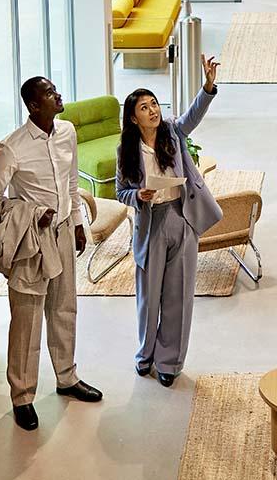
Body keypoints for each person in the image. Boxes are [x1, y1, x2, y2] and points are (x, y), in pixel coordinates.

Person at [0, 77, 103, 431]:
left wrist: (78, 222)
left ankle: (67, 378)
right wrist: (32, 212)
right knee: (27, 320)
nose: (58, 95)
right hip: (32, 240)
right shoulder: (12, 148)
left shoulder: (67, 132)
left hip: (64, 232)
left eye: (55, 90)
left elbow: (69, 184)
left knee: (65, 307)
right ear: (34, 106)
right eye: (49, 94)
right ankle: (22, 397)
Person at [117, 55, 222, 387]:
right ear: (133, 119)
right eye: (144, 108)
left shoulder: (172, 133)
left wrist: (207, 85)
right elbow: (121, 191)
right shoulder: (127, 151)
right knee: (149, 296)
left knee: (179, 294)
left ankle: (169, 362)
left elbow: (193, 116)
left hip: (182, 217)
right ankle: (145, 354)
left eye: (154, 104)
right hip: (151, 224)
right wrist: (138, 196)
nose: (153, 110)